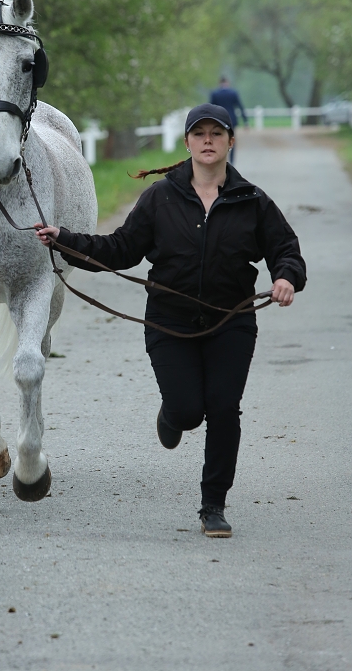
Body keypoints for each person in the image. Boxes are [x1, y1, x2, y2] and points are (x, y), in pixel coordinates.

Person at [35, 103, 306, 538]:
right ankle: (172, 414)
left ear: (230, 142)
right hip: (169, 322)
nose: (208, 141)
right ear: (187, 143)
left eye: (217, 134)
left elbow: (286, 249)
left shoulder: (251, 200)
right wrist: (65, 240)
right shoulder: (161, 196)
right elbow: (121, 248)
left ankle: (213, 505)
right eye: (199, 134)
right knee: (186, 410)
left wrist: (286, 277)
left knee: (223, 409)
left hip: (230, 321)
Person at [210, 77, 248, 164]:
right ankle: (232, 162)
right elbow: (240, 106)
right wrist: (245, 121)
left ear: (220, 83)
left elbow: (210, 108)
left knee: (220, 139)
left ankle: (222, 161)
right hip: (231, 120)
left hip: (219, 120)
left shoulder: (215, 94)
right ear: (227, 83)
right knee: (231, 140)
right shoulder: (233, 93)